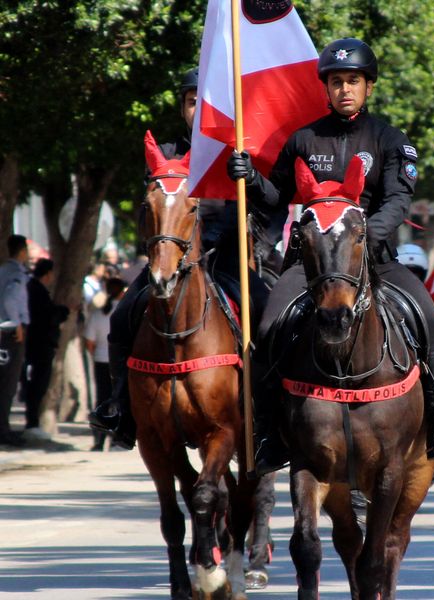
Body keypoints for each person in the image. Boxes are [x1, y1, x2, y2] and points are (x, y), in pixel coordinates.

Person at [226, 37, 434, 473]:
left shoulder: (390, 140)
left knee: (431, 319)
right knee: (267, 327)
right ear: (326, 88)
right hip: (310, 265)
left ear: (368, 87)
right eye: (336, 81)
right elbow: (275, 197)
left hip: (373, 259)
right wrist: (248, 178)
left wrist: (359, 236)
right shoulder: (302, 139)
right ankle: (267, 432)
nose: (344, 89)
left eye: (353, 81)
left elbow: (398, 201)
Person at [89, 67, 273, 449]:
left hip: (226, 258)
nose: (199, 111)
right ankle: (119, 405)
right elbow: (152, 213)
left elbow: (270, 204)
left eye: (207, 105)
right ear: (183, 108)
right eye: (193, 103)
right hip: (172, 259)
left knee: (268, 313)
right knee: (123, 315)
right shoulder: (166, 154)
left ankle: (269, 412)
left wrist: (250, 177)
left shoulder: (237, 153)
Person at [22, 259, 69, 440]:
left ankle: (33, 422)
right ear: (48, 274)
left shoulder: (35, 289)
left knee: (37, 385)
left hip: (38, 345)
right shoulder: (36, 290)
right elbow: (46, 317)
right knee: (36, 385)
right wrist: (63, 311)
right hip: (39, 345)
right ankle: (31, 423)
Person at [84, 277, 126, 450]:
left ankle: (99, 439)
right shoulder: (126, 312)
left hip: (101, 360)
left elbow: (89, 342)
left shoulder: (97, 314)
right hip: (122, 363)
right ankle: (118, 437)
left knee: (102, 399)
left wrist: (99, 353)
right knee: (120, 400)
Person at [0, 235, 30, 446]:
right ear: (22, 251)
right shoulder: (17, 273)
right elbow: (10, 298)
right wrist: (17, 323)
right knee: (8, 384)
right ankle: (3, 430)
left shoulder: (2, 271)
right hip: (10, 332)